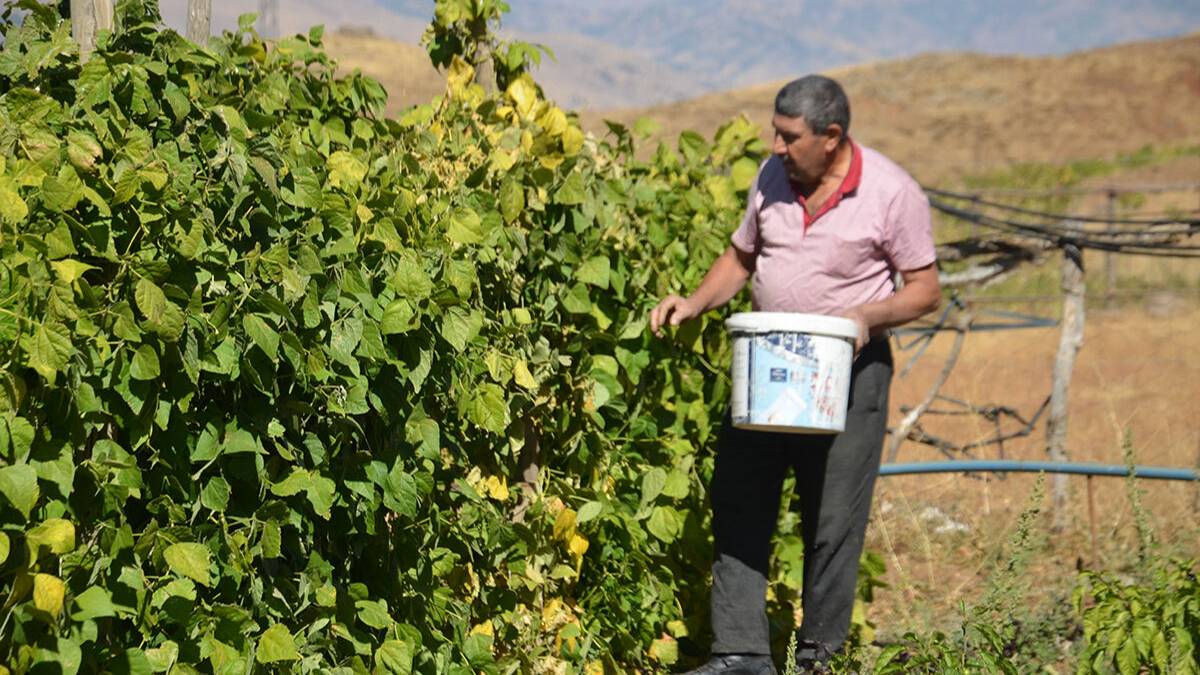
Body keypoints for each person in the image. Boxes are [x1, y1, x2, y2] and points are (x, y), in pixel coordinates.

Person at [649, 75, 941, 674]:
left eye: (789, 137)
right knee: (739, 499)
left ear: (831, 137)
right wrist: (695, 303)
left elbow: (925, 290)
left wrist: (866, 315)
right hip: (768, 364)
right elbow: (742, 257)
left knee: (832, 519)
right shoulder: (771, 177)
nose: (775, 147)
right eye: (775, 134)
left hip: (848, 374)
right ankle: (741, 654)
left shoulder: (892, 192)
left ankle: (818, 659)